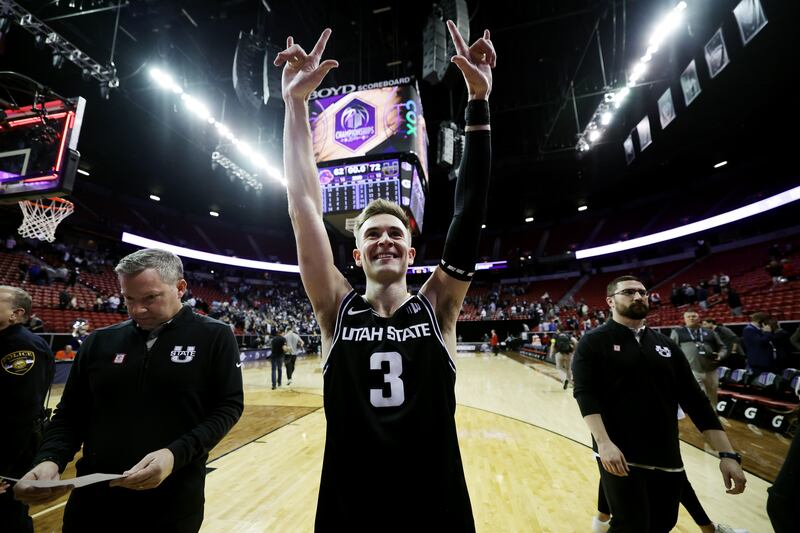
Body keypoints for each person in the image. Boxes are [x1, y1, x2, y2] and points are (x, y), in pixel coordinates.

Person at [275, 20, 493, 531]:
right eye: (372, 234)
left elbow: (468, 213)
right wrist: (294, 106)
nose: (385, 240)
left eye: (395, 233)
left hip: (436, 508)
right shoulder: (335, 308)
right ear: (357, 255)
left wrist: (478, 101)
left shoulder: (438, 307)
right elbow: (303, 208)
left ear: (411, 252)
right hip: (351, 510)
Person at [14, 249, 244, 532]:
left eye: (150, 298)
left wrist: (175, 455)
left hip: (173, 499)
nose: (137, 310)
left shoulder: (215, 335)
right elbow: (71, 413)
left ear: (180, 288)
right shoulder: (99, 341)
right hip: (93, 502)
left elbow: (228, 406)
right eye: (129, 299)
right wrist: (50, 459)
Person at [572, 276, 746, 532]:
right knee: (632, 526)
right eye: (628, 292)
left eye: (642, 292)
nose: (638, 296)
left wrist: (727, 454)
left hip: (666, 452)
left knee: (664, 523)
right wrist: (604, 443)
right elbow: (585, 393)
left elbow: (696, 401)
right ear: (610, 301)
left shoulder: (667, 345)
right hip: (620, 452)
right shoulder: (594, 341)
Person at [0, 286, 54, 533]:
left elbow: (20, 412)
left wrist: (3, 468)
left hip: (10, 450)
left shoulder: (22, 347)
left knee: (8, 515)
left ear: (16, 313)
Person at [670, 311, 727, 406]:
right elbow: (672, 350)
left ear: (699, 318)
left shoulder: (710, 332)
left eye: (694, 316)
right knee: (700, 395)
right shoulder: (677, 332)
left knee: (713, 395)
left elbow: (723, 347)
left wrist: (720, 355)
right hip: (692, 370)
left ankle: (713, 413)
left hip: (711, 370)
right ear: (684, 319)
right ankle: (703, 414)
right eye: (688, 317)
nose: (691, 318)